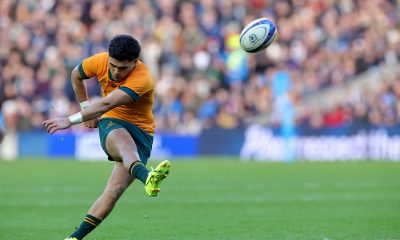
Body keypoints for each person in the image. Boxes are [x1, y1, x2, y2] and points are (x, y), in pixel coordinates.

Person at [42, 35, 171, 240]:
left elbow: (106, 103)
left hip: (143, 133)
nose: (116, 71)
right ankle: (148, 177)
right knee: (125, 144)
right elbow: (76, 75)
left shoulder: (143, 77)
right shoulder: (100, 61)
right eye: (113, 65)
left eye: (123, 68)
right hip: (112, 122)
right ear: (109, 57)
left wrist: (71, 119)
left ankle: (74, 238)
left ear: (135, 62)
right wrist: (84, 111)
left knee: (114, 190)